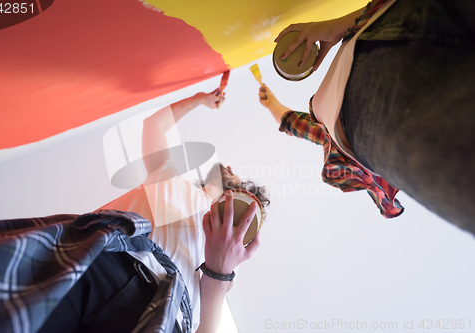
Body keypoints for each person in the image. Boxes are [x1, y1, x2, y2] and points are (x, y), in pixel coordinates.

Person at [39, 89, 270, 332]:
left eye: (237, 178)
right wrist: (200, 99)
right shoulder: (168, 177)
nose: (230, 168)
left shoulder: (229, 254)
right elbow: (154, 125)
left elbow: (205, 328)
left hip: (160, 317)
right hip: (100, 262)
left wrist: (220, 273)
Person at [260, 0, 475, 234]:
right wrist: (343, 25)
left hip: (376, 90)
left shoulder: (341, 148)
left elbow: (296, 125)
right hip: (400, 19)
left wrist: (271, 103)